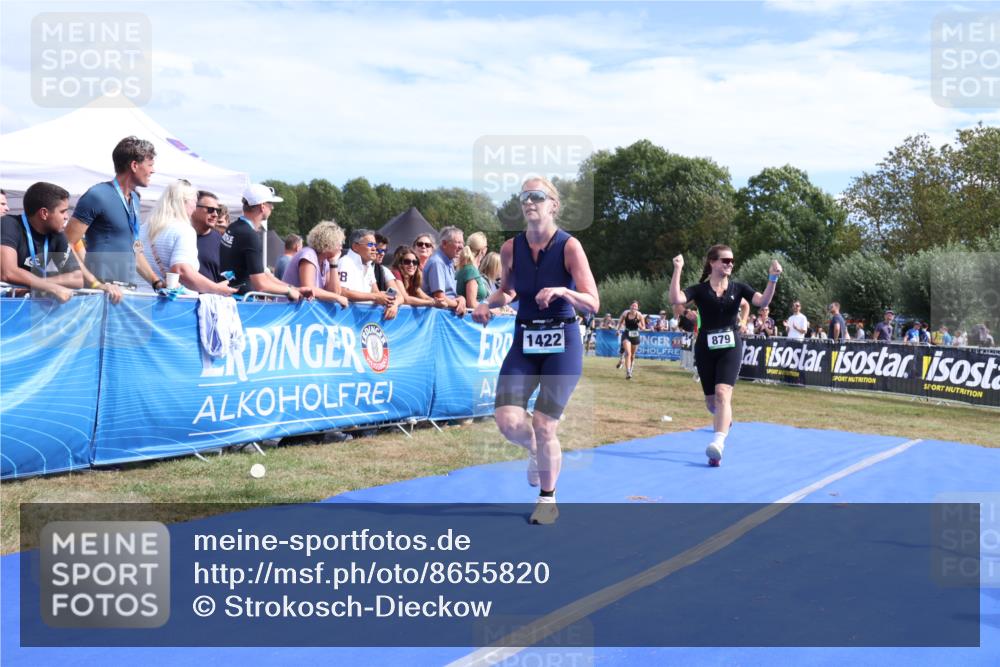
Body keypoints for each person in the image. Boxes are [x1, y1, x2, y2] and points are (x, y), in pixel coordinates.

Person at [472, 177, 599, 525]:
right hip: (525, 341)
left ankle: (548, 499)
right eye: (525, 196)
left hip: (563, 342)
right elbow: (508, 291)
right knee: (508, 421)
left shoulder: (569, 247)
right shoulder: (511, 248)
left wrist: (562, 291)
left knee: (544, 424)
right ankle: (538, 451)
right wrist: (486, 303)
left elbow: (593, 302)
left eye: (538, 196)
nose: (530, 201)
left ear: (553, 205)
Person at [670, 244, 782, 467]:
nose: (730, 264)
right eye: (725, 260)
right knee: (712, 403)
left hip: (731, 345)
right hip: (705, 347)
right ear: (712, 262)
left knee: (723, 394)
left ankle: (718, 445)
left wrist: (773, 278)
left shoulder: (739, 288)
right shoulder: (700, 290)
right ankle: (724, 419)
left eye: (732, 261)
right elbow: (676, 299)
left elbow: (762, 302)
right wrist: (678, 268)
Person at [64, 136, 162, 289]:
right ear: (135, 165)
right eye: (150, 165)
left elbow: (135, 251)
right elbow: (65, 244)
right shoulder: (97, 195)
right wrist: (94, 283)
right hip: (100, 294)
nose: (153, 170)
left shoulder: (135, 198)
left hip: (126, 292)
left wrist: (157, 282)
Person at [141, 180, 236, 296]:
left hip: (137, 299)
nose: (194, 207)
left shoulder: (142, 229)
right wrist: (217, 288)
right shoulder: (183, 230)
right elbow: (181, 271)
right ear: (184, 202)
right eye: (194, 202)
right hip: (172, 305)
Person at [219, 183, 310, 301]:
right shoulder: (249, 235)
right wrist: (288, 291)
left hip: (229, 299)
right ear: (262, 206)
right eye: (270, 204)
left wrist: (293, 288)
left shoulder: (234, 227)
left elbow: (263, 274)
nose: (272, 208)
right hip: (240, 304)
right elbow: (260, 285)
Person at [0, 181, 85, 302]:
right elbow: (8, 272)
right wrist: (50, 287)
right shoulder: (8, 224)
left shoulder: (58, 236)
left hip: (36, 312)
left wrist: (39, 285)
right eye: (62, 211)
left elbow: (78, 279)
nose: (67, 217)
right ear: (44, 213)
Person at [282, 221, 347, 306]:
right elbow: (309, 289)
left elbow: (335, 292)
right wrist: (337, 298)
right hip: (287, 309)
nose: (341, 247)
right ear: (328, 244)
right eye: (339, 243)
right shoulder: (308, 254)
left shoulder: (325, 261)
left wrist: (333, 263)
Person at [338, 228, 397, 318]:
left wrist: (389, 301)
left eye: (375, 245)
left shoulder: (368, 265)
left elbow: (376, 292)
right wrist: (375, 297)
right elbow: (342, 292)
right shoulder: (345, 262)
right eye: (370, 244)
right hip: (344, 319)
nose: (374, 249)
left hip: (361, 321)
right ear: (355, 247)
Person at [423, 226, 467, 316]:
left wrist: (462, 299)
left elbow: (450, 294)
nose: (462, 247)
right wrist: (459, 304)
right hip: (436, 317)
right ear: (444, 243)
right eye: (458, 242)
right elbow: (439, 298)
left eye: (462, 243)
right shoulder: (437, 263)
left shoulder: (449, 262)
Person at [191, 190, 226, 282]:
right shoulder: (181, 236)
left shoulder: (222, 241)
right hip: (183, 295)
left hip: (213, 295)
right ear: (194, 208)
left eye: (218, 211)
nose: (215, 214)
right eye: (210, 210)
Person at [617, 301, 646, 380]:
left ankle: (630, 367)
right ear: (630, 306)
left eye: (635, 306)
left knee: (633, 355)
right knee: (628, 353)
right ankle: (628, 372)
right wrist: (618, 330)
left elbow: (644, 328)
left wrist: (639, 325)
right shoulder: (625, 313)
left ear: (637, 308)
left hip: (635, 335)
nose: (633, 308)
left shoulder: (639, 315)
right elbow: (620, 322)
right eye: (632, 306)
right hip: (626, 334)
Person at [455, 242, 490, 310]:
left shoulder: (468, 268)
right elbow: (471, 304)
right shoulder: (471, 270)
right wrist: (491, 308)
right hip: (471, 318)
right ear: (483, 250)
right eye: (487, 246)